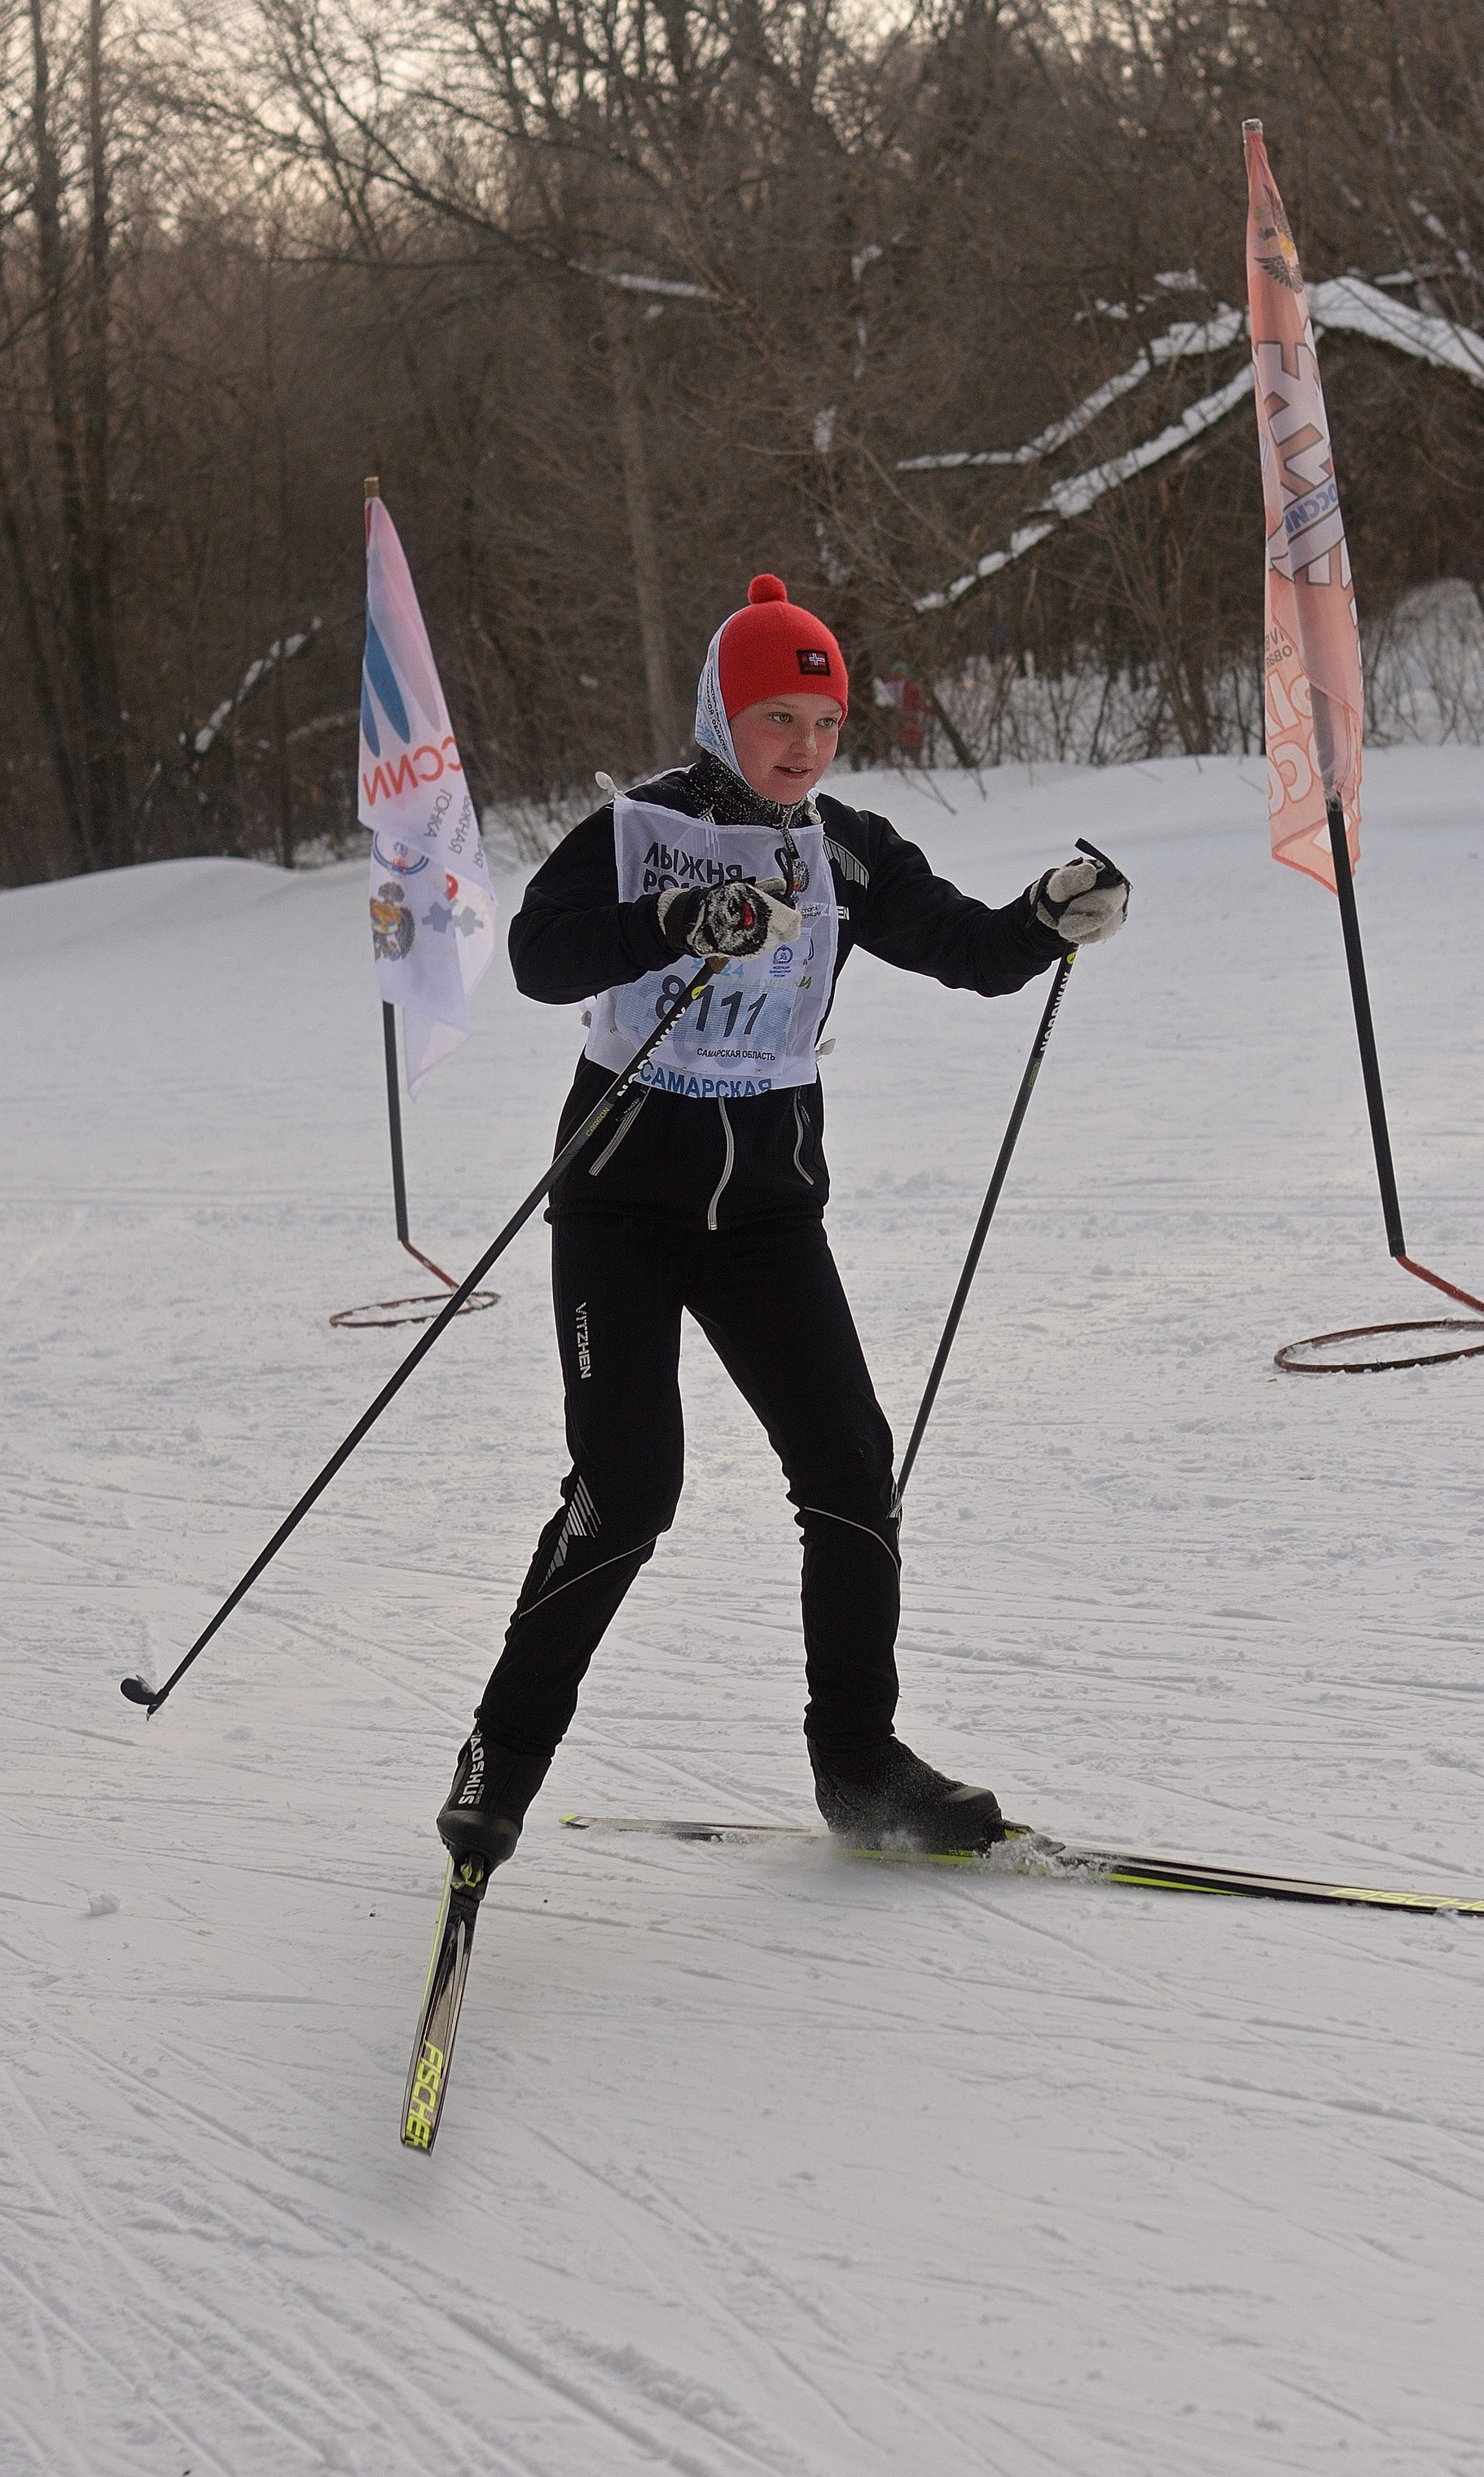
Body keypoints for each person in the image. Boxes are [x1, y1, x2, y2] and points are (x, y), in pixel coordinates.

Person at [437, 574, 1129, 1874]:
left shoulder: (849, 848)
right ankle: (499, 1759)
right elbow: (540, 956)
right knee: (628, 1491)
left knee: (851, 1468)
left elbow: (967, 950)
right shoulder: (638, 828)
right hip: (621, 1207)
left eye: (823, 720)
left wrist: (1047, 922)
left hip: (763, 1216)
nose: (803, 747)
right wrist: (672, 922)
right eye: (776, 717)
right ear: (720, 712)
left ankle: (859, 1762)